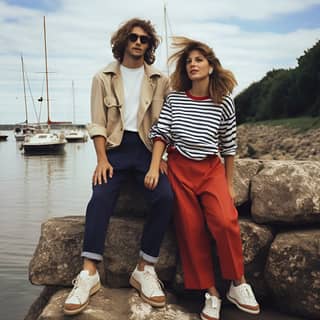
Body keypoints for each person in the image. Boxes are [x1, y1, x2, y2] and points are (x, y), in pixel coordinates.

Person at [63, 18, 173, 315]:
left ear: (150, 46)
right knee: (100, 198)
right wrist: (101, 160)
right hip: (114, 150)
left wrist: (157, 162)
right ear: (124, 40)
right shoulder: (103, 77)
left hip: (148, 150)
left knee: (165, 197)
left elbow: (165, 124)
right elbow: (97, 123)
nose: (138, 43)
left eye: (145, 39)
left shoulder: (160, 80)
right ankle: (88, 273)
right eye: (134, 37)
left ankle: (144, 268)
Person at [145, 37, 260, 320]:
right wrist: (154, 164)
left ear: (211, 66)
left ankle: (238, 283)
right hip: (180, 170)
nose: (193, 64)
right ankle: (211, 293)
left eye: (199, 60)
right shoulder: (175, 98)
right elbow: (161, 132)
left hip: (211, 171)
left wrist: (229, 184)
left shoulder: (224, 103)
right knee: (191, 229)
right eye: (189, 61)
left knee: (225, 221)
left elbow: (229, 147)